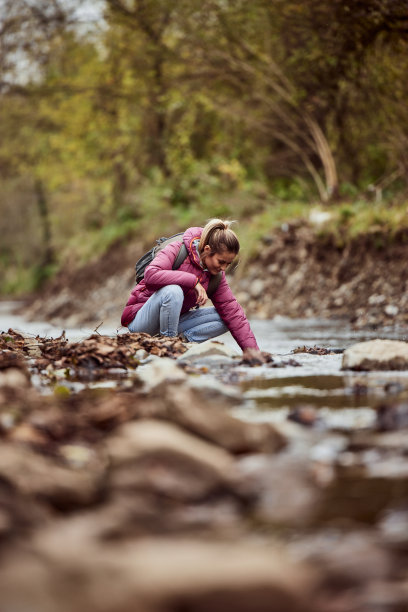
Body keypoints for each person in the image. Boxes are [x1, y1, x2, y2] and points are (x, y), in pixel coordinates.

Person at [121, 219, 265, 361]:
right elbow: (151, 275)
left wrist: (253, 353)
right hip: (141, 322)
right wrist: (192, 281)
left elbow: (234, 314)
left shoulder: (215, 276)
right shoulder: (177, 249)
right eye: (221, 262)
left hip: (173, 321)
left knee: (227, 317)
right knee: (173, 291)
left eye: (228, 264)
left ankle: (182, 341)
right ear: (207, 250)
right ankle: (169, 346)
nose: (223, 268)